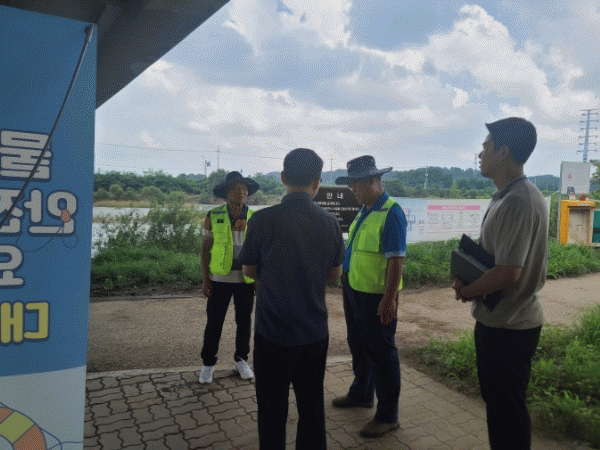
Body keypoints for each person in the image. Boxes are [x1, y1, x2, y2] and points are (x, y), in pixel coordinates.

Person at [239, 148, 344, 450]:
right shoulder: (331, 222)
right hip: (314, 332)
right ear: (317, 182)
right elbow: (334, 274)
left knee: (272, 408)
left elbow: (248, 271)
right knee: (311, 406)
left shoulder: (261, 220)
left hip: (272, 331)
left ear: (284, 177)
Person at [453, 117, 546, 450]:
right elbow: (499, 260)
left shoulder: (518, 200)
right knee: (501, 407)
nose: (480, 153)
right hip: (501, 321)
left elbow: (509, 272)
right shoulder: (509, 196)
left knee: (506, 412)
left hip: (509, 327)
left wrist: (467, 290)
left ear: (504, 152)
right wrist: (467, 273)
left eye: (486, 146)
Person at [333, 155, 407, 438]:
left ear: (375, 181)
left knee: (382, 353)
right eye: (351, 184)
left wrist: (389, 299)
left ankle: (388, 416)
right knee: (358, 345)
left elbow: (396, 260)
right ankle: (362, 393)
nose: (353, 189)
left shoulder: (391, 212)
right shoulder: (365, 210)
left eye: (357, 184)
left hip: (376, 297)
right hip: (354, 290)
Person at [198, 171, 260, 384]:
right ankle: (208, 364)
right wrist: (205, 279)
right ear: (226, 193)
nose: (242, 192)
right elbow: (205, 249)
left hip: (245, 281)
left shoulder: (254, 217)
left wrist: (257, 280)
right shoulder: (213, 215)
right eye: (236, 188)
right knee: (214, 323)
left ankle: (241, 360)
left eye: (244, 188)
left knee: (244, 322)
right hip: (219, 280)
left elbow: (259, 251)